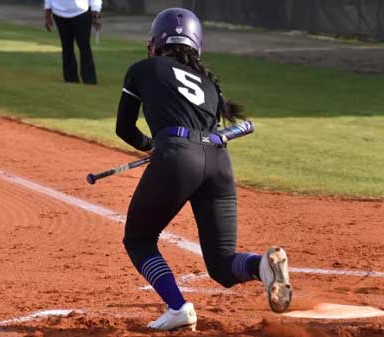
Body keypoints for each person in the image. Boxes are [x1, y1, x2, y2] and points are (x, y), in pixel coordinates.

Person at [115, 8, 292, 331]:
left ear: (157, 41)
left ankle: (178, 306)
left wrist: (150, 146)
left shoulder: (143, 69)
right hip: (218, 162)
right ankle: (262, 267)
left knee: (139, 240)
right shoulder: (209, 82)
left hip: (177, 157)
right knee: (223, 264)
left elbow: (124, 128)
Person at [44, 0, 101, 84]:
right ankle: (70, 78)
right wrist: (47, 16)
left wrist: (95, 14)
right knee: (66, 46)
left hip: (81, 12)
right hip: (59, 13)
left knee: (84, 46)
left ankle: (89, 79)